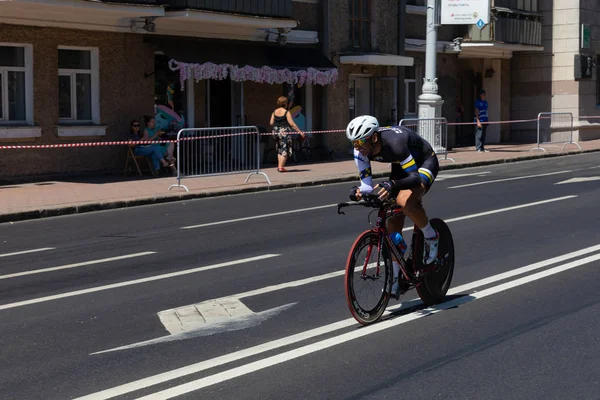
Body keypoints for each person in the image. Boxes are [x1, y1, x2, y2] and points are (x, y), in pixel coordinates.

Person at [346, 115, 440, 295]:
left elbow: (414, 178)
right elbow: (366, 186)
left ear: (373, 138)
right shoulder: (361, 151)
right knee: (390, 217)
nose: (357, 148)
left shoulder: (395, 143)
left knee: (404, 201)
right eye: (353, 143)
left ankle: (431, 236)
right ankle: (397, 278)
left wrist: (393, 185)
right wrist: (357, 191)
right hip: (400, 166)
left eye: (360, 142)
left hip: (424, 163)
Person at [269, 96, 305, 172]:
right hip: (284, 132)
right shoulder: (286, 112)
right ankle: (281, 167)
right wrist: (300, 132)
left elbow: (271, 123)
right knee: (285, 149)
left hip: (276, 132)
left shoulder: (274, 112)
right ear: (285, 103)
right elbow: (292, 124)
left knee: (279, 149)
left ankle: (279, 166)